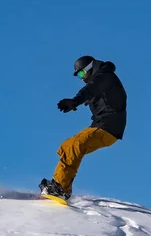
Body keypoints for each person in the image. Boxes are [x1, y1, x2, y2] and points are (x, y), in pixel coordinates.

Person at [39, 55, 127, 200]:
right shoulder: (100, 78)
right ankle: (62, 187)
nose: (81, 78)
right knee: (66, 146)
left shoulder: (105, 77)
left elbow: (91, 89)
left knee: (75, 145)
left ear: (89, 68)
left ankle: (60, 187)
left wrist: (75, 101)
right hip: (100, 125)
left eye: (81, 73)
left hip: (109, 127)